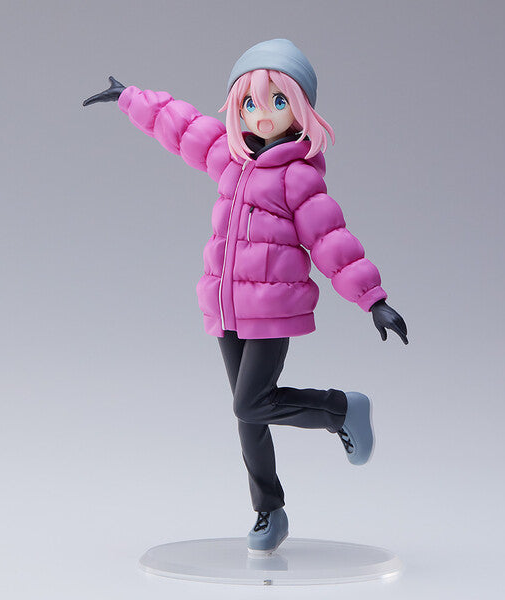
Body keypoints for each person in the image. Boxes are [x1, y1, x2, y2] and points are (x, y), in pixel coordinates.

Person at [83, 38, 408, 556]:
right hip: (225, 305)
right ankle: (269, 510)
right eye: (249, 103)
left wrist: (372, 298)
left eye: (278, 101)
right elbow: (182, 126)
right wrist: (130, 97)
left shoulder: (297, 177)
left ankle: (341, 410)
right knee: (248, 415)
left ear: (300, 108)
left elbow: (332, 241)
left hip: (273, 308)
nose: (262, 114)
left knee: (251, 402)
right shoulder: (230, 159)